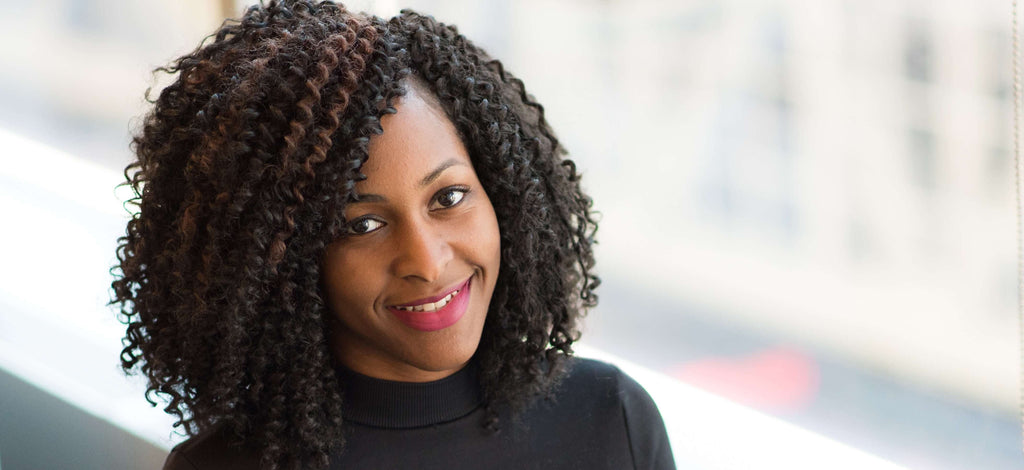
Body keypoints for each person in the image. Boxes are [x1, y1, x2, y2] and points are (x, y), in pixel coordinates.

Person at [111, 1, 676, 469]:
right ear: (285, 260)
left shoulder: (610, 421)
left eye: (448, 198)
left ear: (502, 194)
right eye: (363, 225)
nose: (426, 264)